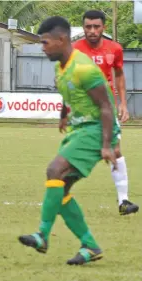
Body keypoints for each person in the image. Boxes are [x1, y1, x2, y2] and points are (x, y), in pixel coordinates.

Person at [18, 16, 120, 265]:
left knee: (54, 170)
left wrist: (107, 145)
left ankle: (42, 235)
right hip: (78, 129)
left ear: (61, 40)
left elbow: (106, 107)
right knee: (60, 189)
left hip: (96, 129)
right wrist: (64, 115)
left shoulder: (83, 67)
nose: (42, 48)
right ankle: (90, 245)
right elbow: (70, 94)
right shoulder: (60, 67)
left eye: (45, 43)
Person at [73, 10, 138, 215]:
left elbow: (119, 76)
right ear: (83, 27)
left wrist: (123, 104)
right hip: (83, 108)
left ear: (104, 27)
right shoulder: (75, 50)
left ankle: (124, 201)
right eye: (88, 27)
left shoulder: (114, 49)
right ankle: (60, 195)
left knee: (116, 150)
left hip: (107, 107)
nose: (92, 31)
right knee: (73, 155)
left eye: (96, 26)